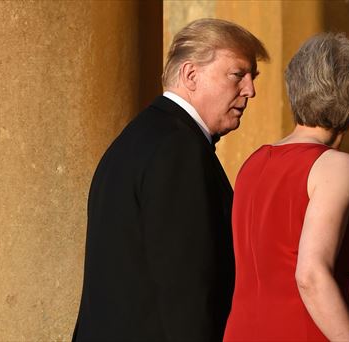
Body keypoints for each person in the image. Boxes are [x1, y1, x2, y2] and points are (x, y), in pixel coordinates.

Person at [73, 18, 269, 341]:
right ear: (191, 75)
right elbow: (187, 288)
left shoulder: (140, 138)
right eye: (238, 75)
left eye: (252, 77)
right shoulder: (178, 152)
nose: (250, 90)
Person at [224, 33, 349, 341]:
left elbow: (276, 245)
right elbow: (310, 275)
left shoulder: (255, 162)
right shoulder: (336, 166)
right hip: (302, 331)